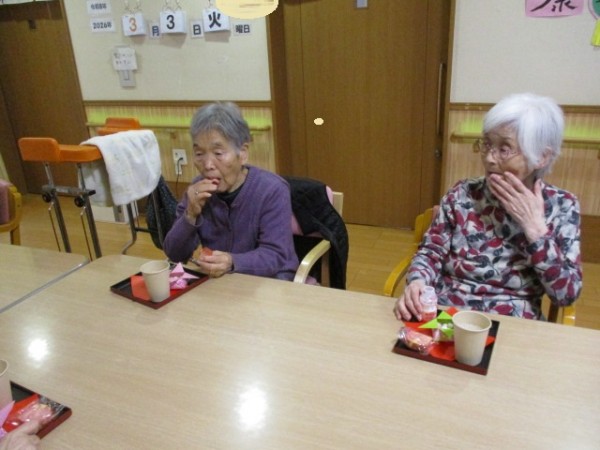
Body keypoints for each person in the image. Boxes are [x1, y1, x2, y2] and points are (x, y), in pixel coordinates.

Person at [393, 93, 582, 321]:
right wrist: (417, 282)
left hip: (513, 321)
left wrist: (536, 230)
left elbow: (566, 295)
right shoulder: (463, 193)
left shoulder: (562, 206)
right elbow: (431, 252)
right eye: (487, 144)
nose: (490, 159)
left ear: (541, 157)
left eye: (504, 149)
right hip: (448, 313)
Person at [163, 102, 299, 280]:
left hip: (271, 281)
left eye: (218, 153)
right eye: (199, 154)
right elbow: (174, 254)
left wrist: (232, 261)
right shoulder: (196, 190)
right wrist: (190, 215)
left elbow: (276, 257)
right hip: (222, 281)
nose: (208, 165)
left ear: (242, 153)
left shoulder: (272, 190)